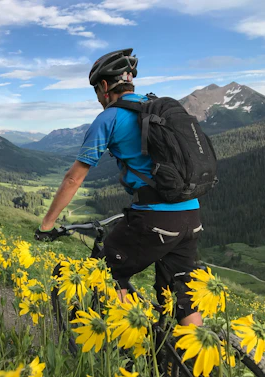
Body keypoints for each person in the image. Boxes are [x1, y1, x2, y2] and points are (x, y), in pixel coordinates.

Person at [35, 48, 203, 326]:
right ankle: (195, 362)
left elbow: (73, 179)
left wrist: (47, 224)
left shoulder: (109, 118)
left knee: (107, 270)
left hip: (154, 218)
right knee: (181, 296)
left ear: (104, 86)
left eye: (95, 91)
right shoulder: (158, 108)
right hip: (191, 214)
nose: (98, 99)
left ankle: (125, 342)